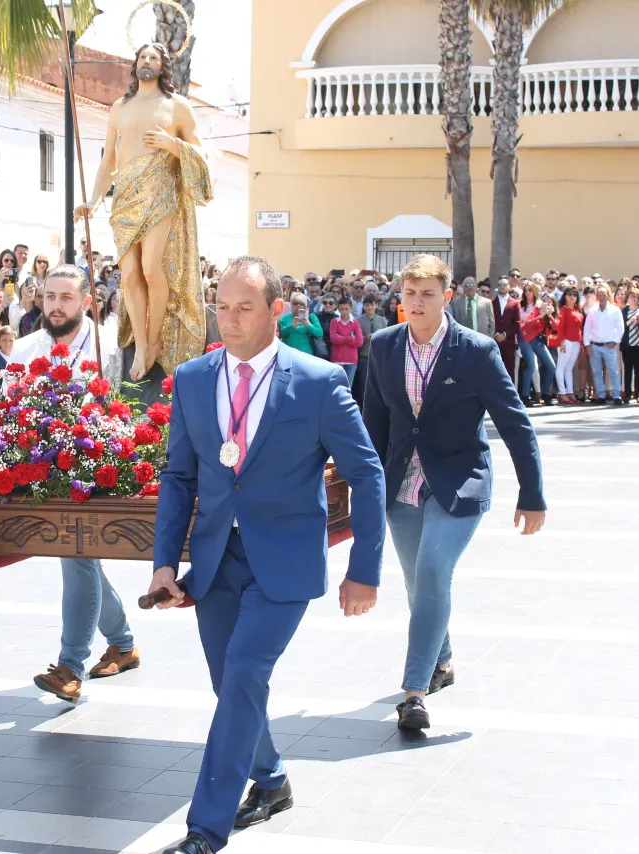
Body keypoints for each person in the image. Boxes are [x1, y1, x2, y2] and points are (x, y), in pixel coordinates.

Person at [148, 255, 386, 854]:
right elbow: (178, 477)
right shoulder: (195, 378)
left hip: (283, 563)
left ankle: (205, 829)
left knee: (247, 672)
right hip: (214, 562)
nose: (228, 321)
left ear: (276, 309)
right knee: (229, 683)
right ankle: (273, 780)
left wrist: (364, 570)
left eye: (244, 308)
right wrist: (163, 564)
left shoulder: (318, 381)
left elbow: (367, 473)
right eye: (221, 307)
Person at [362, 255, 545, 733]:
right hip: (403, 483)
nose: (417, 302)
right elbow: (373, 423)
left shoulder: (476, 350)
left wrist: (533, 494)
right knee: (415, 584)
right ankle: (441, 660)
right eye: (409, 293)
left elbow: (514, 422)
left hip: (459, 482)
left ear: (447, 297)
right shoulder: (383, 347)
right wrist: (364, 485)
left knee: (433, 570)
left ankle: (414, 691)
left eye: (427, 294)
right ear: (399, 297)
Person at [7, 267, 126, 704]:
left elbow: (120, 406)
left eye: (66, 297)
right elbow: (10, 405)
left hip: (93, 471)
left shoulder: (108, 346)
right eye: (49, 296)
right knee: (82, 558)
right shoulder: (23, 347)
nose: (56, 305)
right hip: (42, 470)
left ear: (87, 301)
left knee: (77, 556)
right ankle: (124, 643)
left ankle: (71, 666)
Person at [77, 44, 211, 382]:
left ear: (163, 66)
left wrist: (172, 145)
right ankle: (139, 344)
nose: (146, 62)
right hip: (125, 195)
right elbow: (108, 160)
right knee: (130, 273)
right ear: (135, 64)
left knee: (152, 268)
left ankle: (153, 342)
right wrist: (93, 201)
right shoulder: (119, 108)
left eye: (153, 58)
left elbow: (201, 152)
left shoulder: (176, 106)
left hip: (160, 191)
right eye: (142, 57)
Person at [583, 284, 624, 405]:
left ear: (608, 295)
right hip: (595, 345)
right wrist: (587, 344)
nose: (601, 297)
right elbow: (587, 329)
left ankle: (617, 395)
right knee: (596, 372)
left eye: (604, 294)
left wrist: (615, 341)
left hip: (608, 346)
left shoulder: (615, 310)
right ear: (596, 296)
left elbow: (620, 328)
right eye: (599, 294)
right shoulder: (592, 311)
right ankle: (600, 395)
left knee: (613, 371)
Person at [519, 285, 557, 405]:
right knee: (530, 366)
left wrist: (549, 315)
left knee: (551, 366)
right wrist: (540, 316)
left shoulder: (540, 305)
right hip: (524, 337)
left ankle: (546, 394)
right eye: (526, 290)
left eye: (530, 290)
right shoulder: (522, 306)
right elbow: (525, 325)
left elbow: (556, 328)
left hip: (537, 339)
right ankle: (525, 396)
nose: (527, 293)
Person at [554, 287, 584, 404]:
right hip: (566, 341)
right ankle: (562, 393)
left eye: (575, 295)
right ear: (565, 296)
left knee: (569, 367)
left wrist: (580, 343)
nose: (572, 297)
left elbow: (579, 328)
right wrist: (561, 342)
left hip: (576, 341)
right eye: (569, 294)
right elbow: (559, 327)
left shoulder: (578, 310)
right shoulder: (563, 310)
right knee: (561, 367)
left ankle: (570, 392)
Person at [328, 296, 364, 388]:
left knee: (348, 387)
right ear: (338, 309)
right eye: (342, 309)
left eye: (346, 309)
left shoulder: (355, 323)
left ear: (351, 309)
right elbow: (333, 339)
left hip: (351, 360)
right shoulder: (334, 322)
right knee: (335, 386)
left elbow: (359, 342)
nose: (344, 311)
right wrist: (350, 338)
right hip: (337, 359)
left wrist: (341, 338)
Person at [621, 287, 639, 402]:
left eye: (637, 297)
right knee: (627, 370)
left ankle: (638, 393)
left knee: (638, 370)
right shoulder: (624, 311)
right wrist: (629, 322)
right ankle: (627, 394)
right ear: (628, 298)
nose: (634, 299)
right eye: (632, 296)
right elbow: (620, 326)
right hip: (627, 346)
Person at [491, 276, 521, 372]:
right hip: (495, 341)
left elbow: (517, 323)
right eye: (500, 285)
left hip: (509, 341)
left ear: (509, 286)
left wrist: (505, 334)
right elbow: (489, 321)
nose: (502, 287)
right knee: (495, 369)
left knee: (509, 370)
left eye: (504, 285)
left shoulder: (515, 303)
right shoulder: (491, 302)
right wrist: (496, 334)